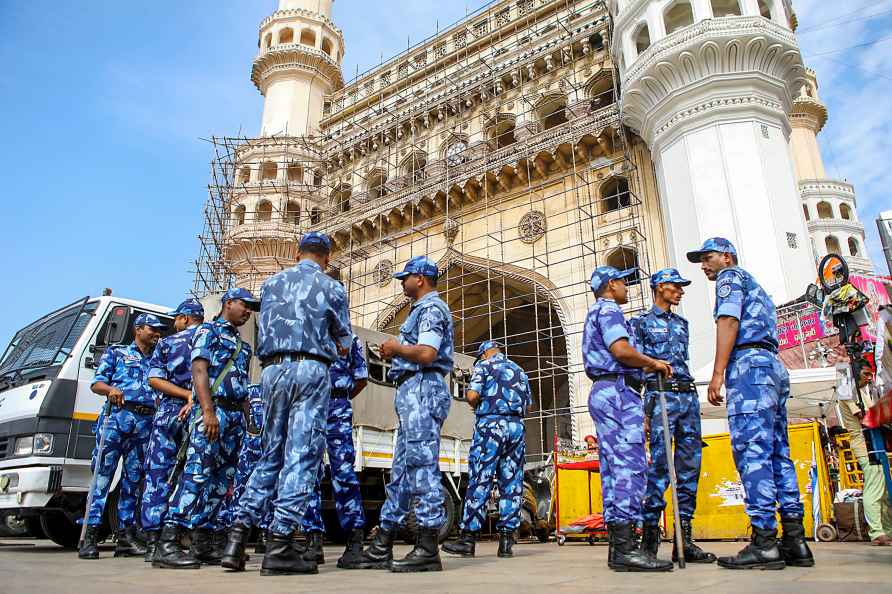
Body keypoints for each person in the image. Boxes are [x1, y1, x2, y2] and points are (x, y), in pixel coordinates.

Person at [221, 232, 352, 576]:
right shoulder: (331, 287)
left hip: (271, 371)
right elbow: (344, 341)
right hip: (310, 370)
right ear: (326, 258)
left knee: (270, 455)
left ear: (297, 254)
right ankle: (279, 544)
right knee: (301, 456)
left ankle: (236, 541)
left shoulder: (270, 284)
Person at [688, 237, 814, 569]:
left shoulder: (730, 277)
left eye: (708, 258)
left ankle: (764, 542)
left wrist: (717, 373)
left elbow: (728, 321)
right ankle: (795, 540)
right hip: (772, 365)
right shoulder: (756, 286)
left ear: (726, 257)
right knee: (777, 453)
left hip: (749, 368)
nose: (704, 265)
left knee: (751, 451)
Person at [357, 255, 454, 573]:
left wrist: (397, 349)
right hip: (413, 390)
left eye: (405, 277)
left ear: (421, 279)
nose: (402, 282)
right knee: (400, 473)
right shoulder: (419, 311)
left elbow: (427, 353)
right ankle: (382, 543)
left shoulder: (430, 308)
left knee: (423, 467)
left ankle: (427, 547)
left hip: (423, 389)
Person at [153, 288, 258, 569]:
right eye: (244, 305)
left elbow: (243, 385)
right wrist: (208, 411)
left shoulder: (243, 346)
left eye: (251, 307)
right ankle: (167, 542)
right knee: (197, 475)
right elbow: (199, 372)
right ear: (228, 303)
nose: (248, 311)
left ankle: (203, 542)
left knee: (221, 483)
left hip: (234, 418)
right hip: (213, 412)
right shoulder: (207, 332)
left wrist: (249, 421)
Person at [582, 265, 673, 572]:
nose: (627, 287)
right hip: (619, 391)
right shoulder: (608, 310)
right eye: (623, 282)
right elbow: (621, 350)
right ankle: (625, 549)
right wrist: (653, 363)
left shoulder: (598, 311)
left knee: (614, 469)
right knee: (629, 467)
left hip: (611, 391)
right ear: (611, 285)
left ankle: (619, 547)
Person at [631, 268, 715, 564]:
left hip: (687, 396)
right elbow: (635, 365)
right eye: (675, 286)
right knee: (660, 468)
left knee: (690, 468)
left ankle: (685, 540)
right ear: (659, 287)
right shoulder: (640, 323)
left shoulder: (683, 324)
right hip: (660, 395)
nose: (680, 291)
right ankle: (649, 540)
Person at [79, 313, 165, 560]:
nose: (157, 333)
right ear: (138, 329)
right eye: (153, 329)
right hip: (117, 420)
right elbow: (97, 384)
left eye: (159, 330)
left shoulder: (158, 359)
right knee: (102, 478)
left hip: (145, 423)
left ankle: (126, 537)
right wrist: (111, 389)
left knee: (133, 481)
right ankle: (90, 536)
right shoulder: (116, 354)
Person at [442, 340, 531, 559]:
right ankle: (506, 543)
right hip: (516, 428)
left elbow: (472, 396)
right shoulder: (519, 371)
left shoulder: (484, 366)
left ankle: (468, 539)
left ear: (483, 354)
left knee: (481, 478)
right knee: (511, 482)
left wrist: (482, 405)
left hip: (491, 427)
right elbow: (528, 404)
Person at [141, 299, 205, 562]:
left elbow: (154, 380)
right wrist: (195, 397)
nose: (174, 324)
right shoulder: (212, 340)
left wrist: (184, 394)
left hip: (170, 414)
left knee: (158, 476)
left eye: (177, 318)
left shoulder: (167, 344)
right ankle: (184, 538)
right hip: (201, 413)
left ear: (186, 318)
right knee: (193, 475)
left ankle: (155, 544)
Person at [300, 333, 369, 569]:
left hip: (338, 407)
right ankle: (312, 541)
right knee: (308, 473)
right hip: (310, 407)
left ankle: (355, 542)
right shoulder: (307, 333)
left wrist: (341, 398)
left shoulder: (351, 339)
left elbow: (361, 378)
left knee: (344, 473)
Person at [838, 361, 892, 545]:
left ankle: (886, 529)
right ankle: (877, 532)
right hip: (864, 445)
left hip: (875, 443)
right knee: (874, 487)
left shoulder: (862, 392)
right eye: (866, 374)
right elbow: (864, 418)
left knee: (883, 489)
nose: (869, 378)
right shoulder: (847, 392)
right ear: (855, 373)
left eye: (870, 374)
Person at [219, 384, 270, 549]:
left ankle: (264, 532)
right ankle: (231, 532)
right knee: (239, 487)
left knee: (268, 485)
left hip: (266, 440)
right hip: (247, 441)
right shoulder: (241, 388)